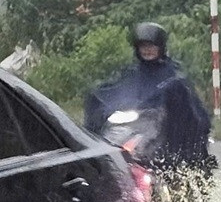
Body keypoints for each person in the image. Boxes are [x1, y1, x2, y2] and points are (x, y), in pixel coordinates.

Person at [83, 22, 214, 176]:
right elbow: (114, 90)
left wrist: (165, 106)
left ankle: (175, 177)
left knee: (160, 155)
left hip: (166, 132)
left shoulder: (173, 74)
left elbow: (187, 104)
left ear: (161, 47)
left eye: (152, 46)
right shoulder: (131, 72)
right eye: (143, 46)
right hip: (136, 124)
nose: (147, 50)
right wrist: (97, 98)